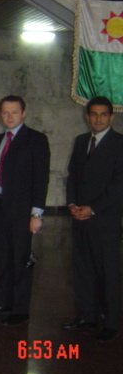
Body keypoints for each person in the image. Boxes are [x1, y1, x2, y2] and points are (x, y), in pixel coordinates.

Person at [0, 95, 50, 326]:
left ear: (24, 113)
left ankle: (20, 310)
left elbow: (41, 178)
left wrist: (36, 213)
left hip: (22, 209)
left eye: (14, 112)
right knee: (2, 257)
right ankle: (2, 302)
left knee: (20, 259)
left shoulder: (35, 140)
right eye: (5, 113)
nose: (8, 117)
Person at [64, 96, 123, 343]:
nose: (98, 119)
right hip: (80, 217)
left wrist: (93, 208)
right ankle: (88, 315)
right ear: (87, 116)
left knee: (108, 272)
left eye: (103, 114)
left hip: (105, 220)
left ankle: (111, 322)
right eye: (93, 114)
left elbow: (119, 185)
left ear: (111, 117)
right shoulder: (80, 142)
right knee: (83, 269)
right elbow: (73, 177)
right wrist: (72, 204)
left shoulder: (119, 143)